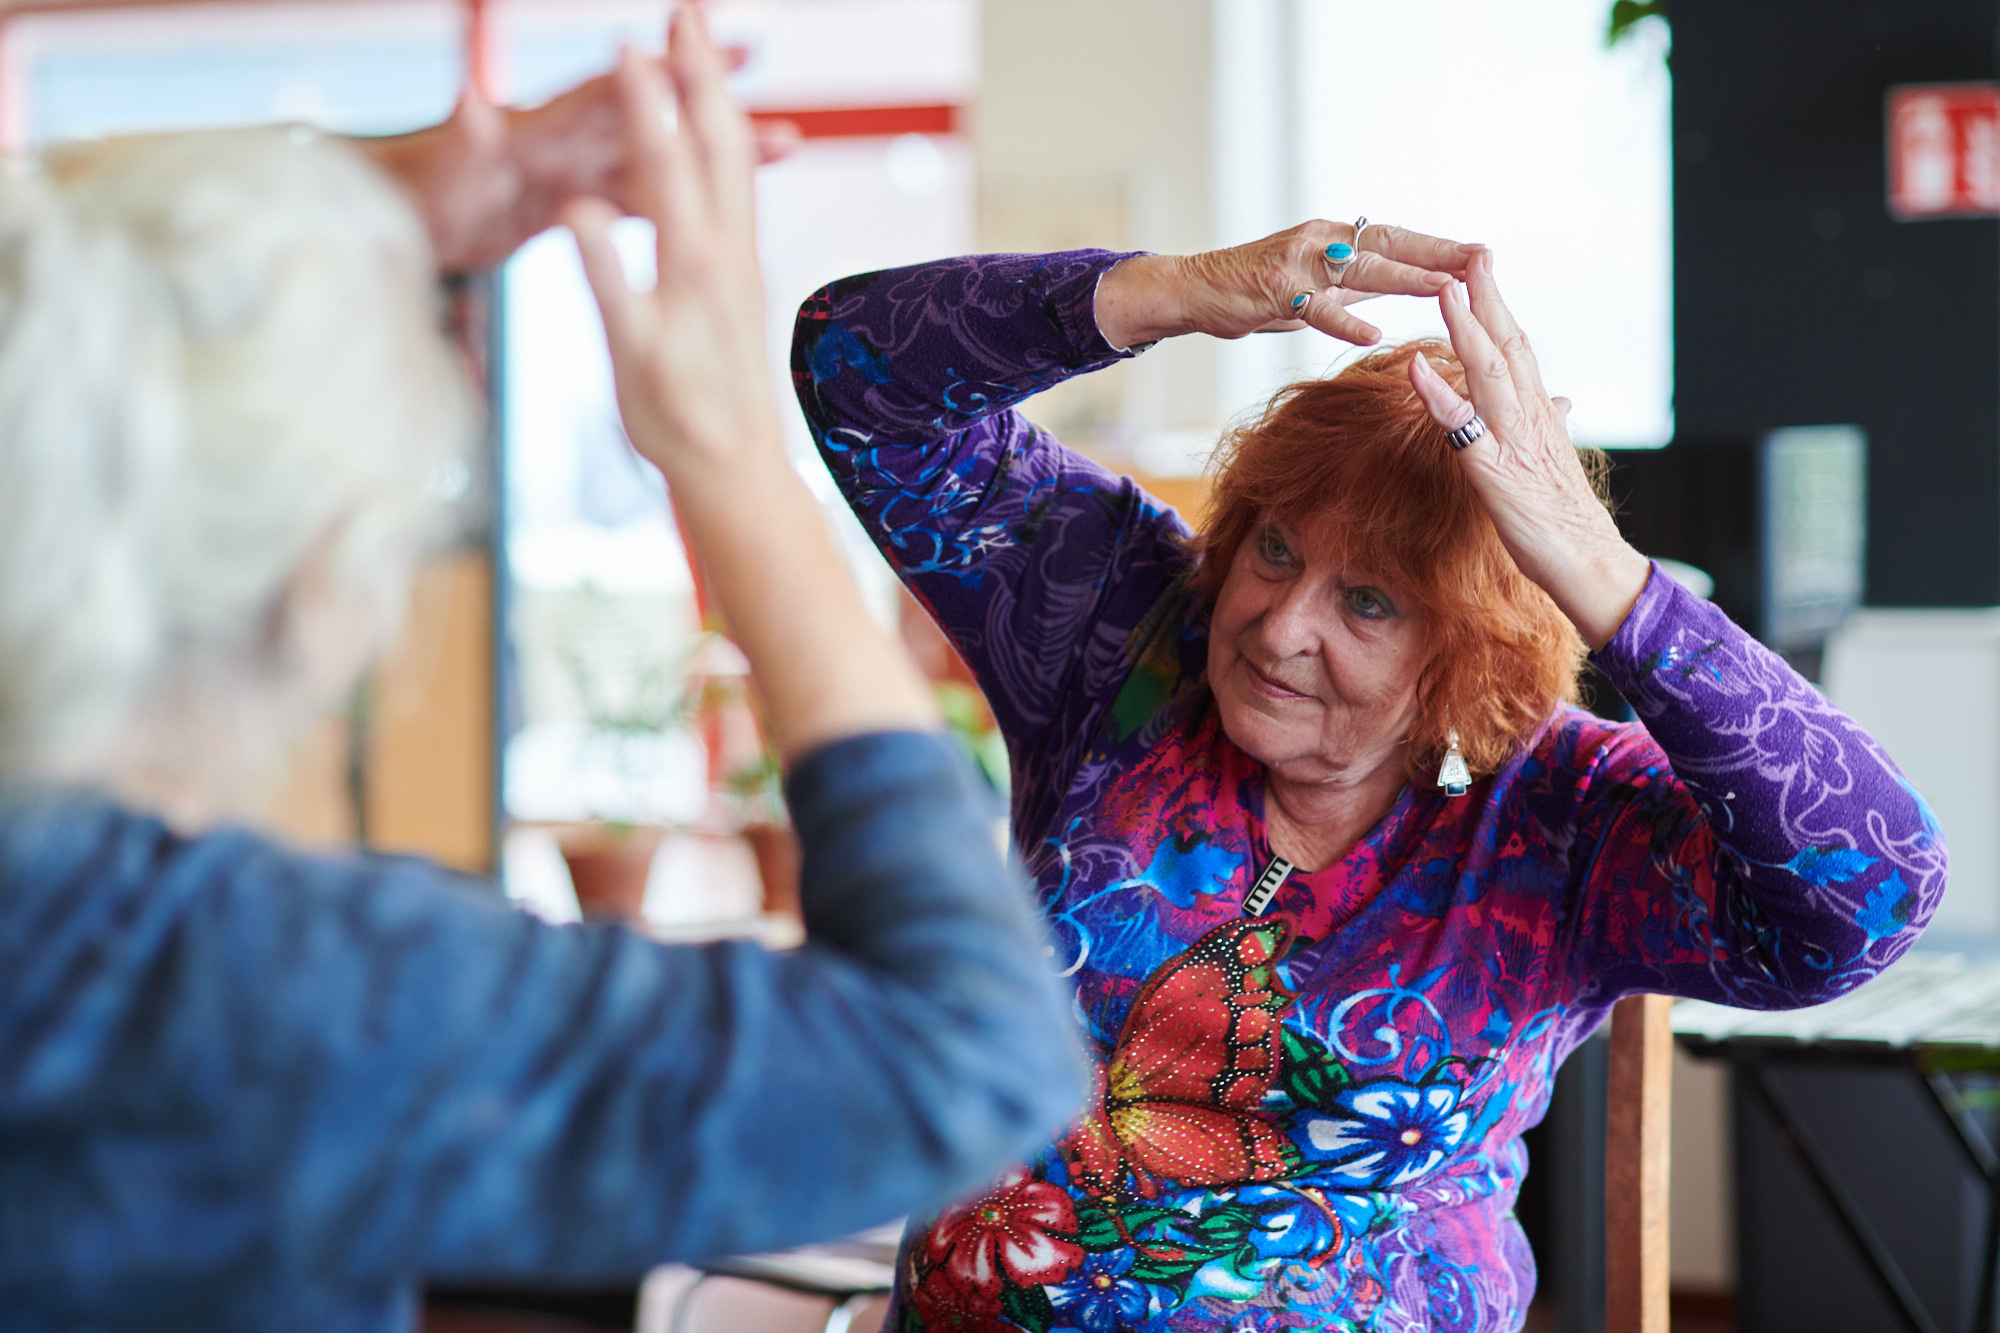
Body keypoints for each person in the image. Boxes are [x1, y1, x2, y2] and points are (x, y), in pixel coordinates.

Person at [0, 13, 1084, 1331]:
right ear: (325, 592)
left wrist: (324, 231)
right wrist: (732, 452)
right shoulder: (244, 991)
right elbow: (969, 1051)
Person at [791, 230, 1946, 1330]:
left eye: (1369, 601)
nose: (1279, 625)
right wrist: (1173, 290)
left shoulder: (1567, 814)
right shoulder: (1125, 640)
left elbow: (1874, 893)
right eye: (1275, 548)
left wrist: (1604, 574)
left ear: (1467, 654)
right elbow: (853, 364)